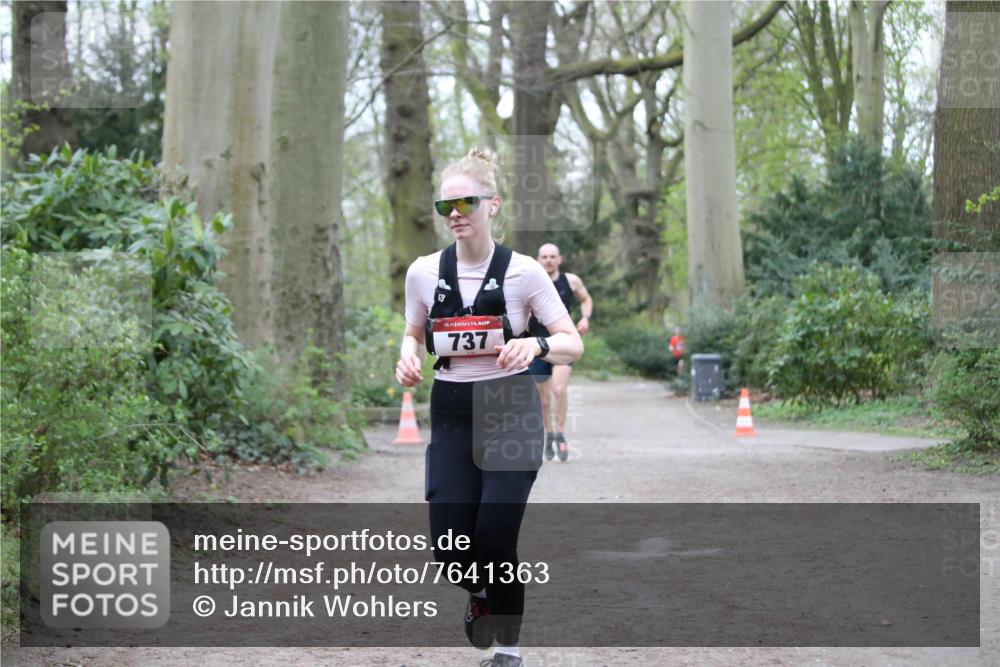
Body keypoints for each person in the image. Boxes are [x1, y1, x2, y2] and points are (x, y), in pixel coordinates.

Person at [395, 148, 584, 667]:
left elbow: (571, 342)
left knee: (496, 535)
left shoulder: (524, 272)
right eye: (446, 205)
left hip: (509, 405)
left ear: (492, 205)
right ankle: (479, 592)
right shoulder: (423, 273)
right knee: (451, 551)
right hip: (452, 408)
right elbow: (413, 333)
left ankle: (507, 649)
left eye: (466, 202)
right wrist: (406, 356)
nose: (455, 213)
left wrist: (537, 345)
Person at [527, 244, 593, 462]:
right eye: (544, 256)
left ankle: (560, 434)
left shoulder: (571, 281)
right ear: (538, 259)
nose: (548, 260)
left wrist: (585, 318)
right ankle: (549, 434)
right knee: (543, 398)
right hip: (538, 345)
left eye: (552, 256)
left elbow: (586, 299)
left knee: (558, 389)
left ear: (559, 259)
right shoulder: (530, 281)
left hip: (563, 343)